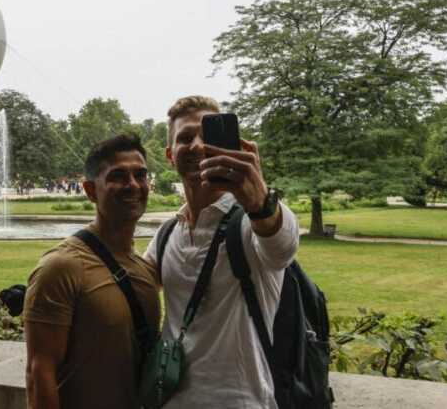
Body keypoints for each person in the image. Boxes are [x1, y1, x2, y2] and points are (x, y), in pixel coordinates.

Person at [143, 95, 300, 408]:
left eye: (207, 135)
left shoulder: (252, 222)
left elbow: (281, 248)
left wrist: (259, 201)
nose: (198, 145)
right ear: (170, 155)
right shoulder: (168, 233)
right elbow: (133, 288)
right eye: (185, 137)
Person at [24, 133, 160, 409]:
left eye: (140, 175)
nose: (133, 185)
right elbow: (40, 373)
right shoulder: (62, 267)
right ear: (90, 190)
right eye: (118, 176)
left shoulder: (143, 268)